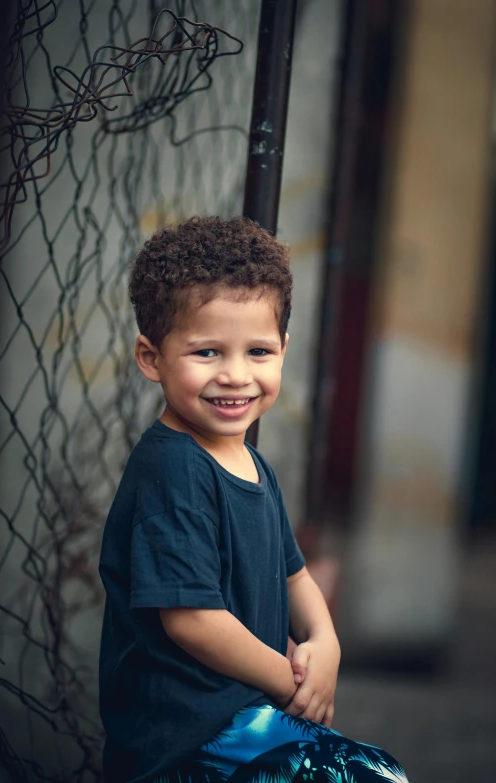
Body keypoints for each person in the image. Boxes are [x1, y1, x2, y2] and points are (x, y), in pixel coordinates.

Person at [99, 216, 409, 782]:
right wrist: (289, 677)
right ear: (151, 357)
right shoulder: (174, 469)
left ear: (285, 350)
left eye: (259, 351)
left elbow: (293, 575)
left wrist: (326, 642)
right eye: (208, 352)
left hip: (244, 714)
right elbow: (192, 620)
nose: (237, 375)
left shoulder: (249, 460)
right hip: (192, 739)